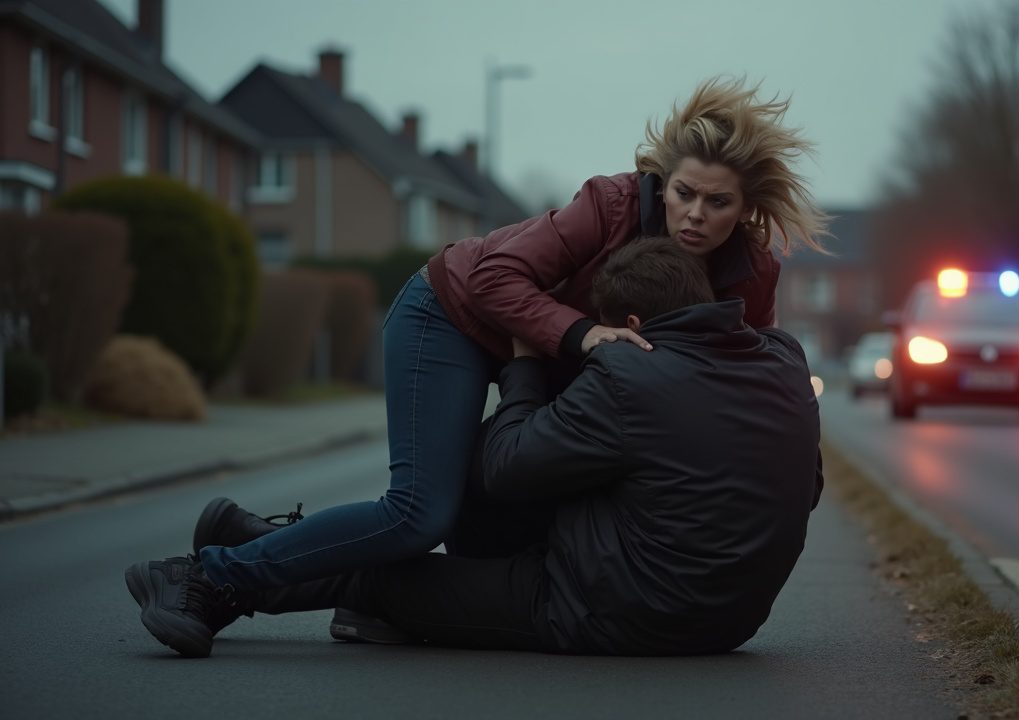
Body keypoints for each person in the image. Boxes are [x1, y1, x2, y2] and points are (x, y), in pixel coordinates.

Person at [125, 76, 828, 655]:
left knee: (512, 513)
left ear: (746, 209)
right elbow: (494, 278)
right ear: (661, 181)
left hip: (554, 363)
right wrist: (580, 335)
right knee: (420, 511)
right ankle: (201, 578)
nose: (693, 216)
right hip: (455, 318)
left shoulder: (750, 270)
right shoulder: (610, 205)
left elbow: (727, 370)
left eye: (717, 202)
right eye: (683, 193)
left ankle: (268, 543)